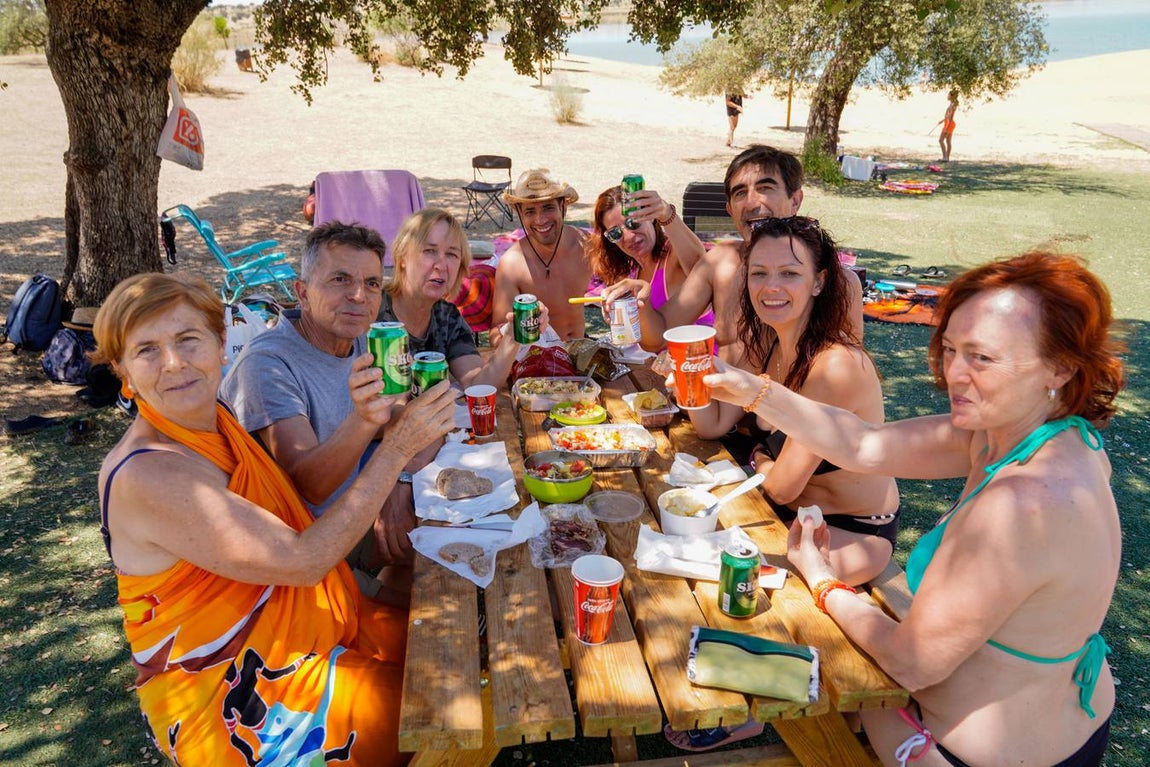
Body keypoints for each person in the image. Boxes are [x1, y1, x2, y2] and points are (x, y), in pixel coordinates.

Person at [707, 251, 1122, 767]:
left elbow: (910, 663)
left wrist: (823, 581)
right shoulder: (1040, 436)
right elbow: (862, 444)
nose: (955, 374)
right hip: (1071, 721)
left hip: (958, 752)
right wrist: (753, 390)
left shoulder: (1021, 502)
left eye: (982, 358)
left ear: (1059, 366)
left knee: (787, 665)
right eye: (950, 349)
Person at [94, 272, 456, 766]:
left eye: (187, 340)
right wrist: (396, 449)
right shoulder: (148, 474)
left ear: (222, 344)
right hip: (238, 696)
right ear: (124, 372)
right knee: (447, 710)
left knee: (455, 654)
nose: (174, 364)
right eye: (147, 351)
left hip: (304, 627)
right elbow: (304, 560)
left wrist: (369, 420)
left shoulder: (215, 420)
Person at [221, 221, 431, 604]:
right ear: (302, 293)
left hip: (356, 512)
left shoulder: (361, 339)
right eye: (339, 279)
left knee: (463, 534)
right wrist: (369, 422)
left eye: (371, 283)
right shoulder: (267, 365)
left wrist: (397, 483)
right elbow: (311, 484)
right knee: (440, 597)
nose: (358, 296)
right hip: (304, 551)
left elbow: (402, 417)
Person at [686, 216, 897, 586]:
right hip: (780, 511)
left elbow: (784, 485)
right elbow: (712, 425)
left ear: (818, 282)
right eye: (759, 273)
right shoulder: (766, 344)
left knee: (720, 583)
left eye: (789, 273)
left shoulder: (835, 366)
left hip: (846, 532)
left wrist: (758, 457)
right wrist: (689, 380)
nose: (771, 287)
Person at [602, 144, 864, 362]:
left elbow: (850, 375)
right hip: (721, 417)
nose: (752, 203)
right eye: (741, 193)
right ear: (730, 209)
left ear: (795, 200)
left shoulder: (839, 284)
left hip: (789, 420)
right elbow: (656, 338)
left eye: (765, 188)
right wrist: (641, 301)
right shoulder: (720, 263)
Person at [379, 207, 549, 387]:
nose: (442, 265)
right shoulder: (372, 312)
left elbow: (479, 383)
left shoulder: (447, 316)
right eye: (429, 250)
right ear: (403, 257)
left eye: (452, 254)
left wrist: (513, 338)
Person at [586, 184, 712, 326]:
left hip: (700, 346)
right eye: (615, 233)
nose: (628, 237)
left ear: (650, 217)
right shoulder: (629, 272)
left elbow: (701, 267)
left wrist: (667, 214)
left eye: (633, 223)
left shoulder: (674, 255)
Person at [490, 168, 590, 344]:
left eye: (548, 208)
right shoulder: (512, 264)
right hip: (538, 363)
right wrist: (520, 328)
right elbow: (495, 334)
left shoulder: (586, 245)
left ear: (563, 207)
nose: (540, 220)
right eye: (530, 212)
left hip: (583, 353)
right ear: (520, 214)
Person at [936, 90, 958, 162]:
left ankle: (945, 157)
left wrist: (947, 127)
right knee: (948, 141)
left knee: (941, 140)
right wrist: (942, 120)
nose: (947, 96)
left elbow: (951, 117)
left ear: (952, 96)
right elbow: (948, 115)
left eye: (948, 95)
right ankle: (947, 158)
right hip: (948, 123)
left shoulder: (953, 105)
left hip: (949, 123)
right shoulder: (952, 104)